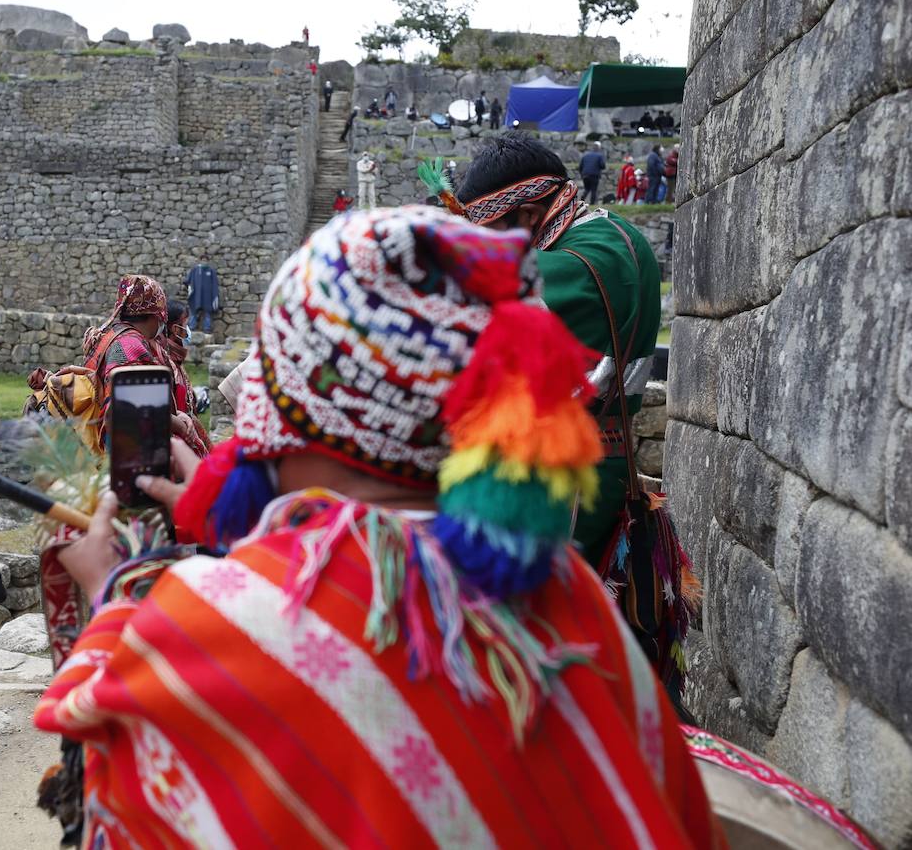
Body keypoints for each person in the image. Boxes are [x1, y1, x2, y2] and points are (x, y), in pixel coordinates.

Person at [36, 206, 718, 847]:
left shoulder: (226, 614)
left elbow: (117, 783)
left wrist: (110, 592)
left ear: (293, 413)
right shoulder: (566, 587)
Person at [455, 133, 690, 706]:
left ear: (530, 214)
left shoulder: (578, 262)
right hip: (600, 463)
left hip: (562, 482)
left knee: (530, 636)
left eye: (491, 233)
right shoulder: (617, 235)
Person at [83, 275, 183, 450]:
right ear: (155, 315)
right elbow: (137, 409)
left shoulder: (111, 335)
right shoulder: (131, 346)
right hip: (126, 449)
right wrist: (179, 425)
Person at [160, 300, 212, 457]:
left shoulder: (173, 359)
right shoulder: (168, 364)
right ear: (175, 328)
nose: (188, 330)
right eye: (186, 324)